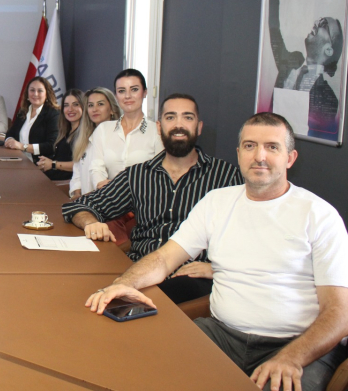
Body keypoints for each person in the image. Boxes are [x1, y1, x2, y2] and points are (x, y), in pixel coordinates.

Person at [87, 113, 348, 391]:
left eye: (272, 147)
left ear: (290, 158)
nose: (259, 156)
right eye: (249, 146)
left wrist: (291, 358)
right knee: (139, 368)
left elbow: (340, 312)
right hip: (222, 335)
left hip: (297, 344)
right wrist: (125, 284)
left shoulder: (318, 215)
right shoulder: (217, 202)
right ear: (239, 154)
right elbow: (164, 258)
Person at [63, 94, 243, 304]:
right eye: (170, 117)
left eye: (187, 117)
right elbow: (80, 206)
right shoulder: (138, 175)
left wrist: (217, 268)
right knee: (74, 292)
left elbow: (248, 236)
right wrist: (91, 223)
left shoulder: (226, 177)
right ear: (159, 127)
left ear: (199, 127)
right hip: (138, 269)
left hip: (189, 278)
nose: (178, 125)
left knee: (115, 303)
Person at [268, 0, 344, 139]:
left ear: (328, 50)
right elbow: (274, 27)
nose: (316, 23)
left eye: (323, 25)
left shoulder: (329, 99)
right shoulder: (289, 62)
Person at [89, 68, 164, 191]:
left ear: (145, 92)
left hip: (143, 198)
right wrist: (102, 185)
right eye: (122, 91)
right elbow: (96, 167)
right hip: (109, 196)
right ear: (116, 96)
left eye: (134, 89)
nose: (128, 96)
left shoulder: (156, 131)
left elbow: (160, 173)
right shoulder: (103, 129)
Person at [69, 87, 120, 200]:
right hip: (85, 202)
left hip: (108, 201)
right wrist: (76, 193)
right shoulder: (83, 140)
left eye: (100, 104)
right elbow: (77, 173)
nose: (94, 109)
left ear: (112, 110)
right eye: (91, 105)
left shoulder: (119, 138)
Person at [4, 76, 60, 166]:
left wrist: (23, 146)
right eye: (32, 90)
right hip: (18, 160)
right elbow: (10, 133)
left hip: (40, 165)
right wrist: (10, 140)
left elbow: (51, 145)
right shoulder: (23, 111)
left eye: (40, 91)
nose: (35, 94)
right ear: (27, 93)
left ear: (47, 94)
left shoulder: (53, 114)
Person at [36, 89, 88, 181]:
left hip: (65, 184)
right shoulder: (65, 131)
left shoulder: (86, 134)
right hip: (51, 178)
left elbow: (82, 165)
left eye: (75, 104)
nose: (70, 109)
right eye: (66, 105)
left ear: (84, 107)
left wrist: (53, 164)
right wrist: (45, 163)